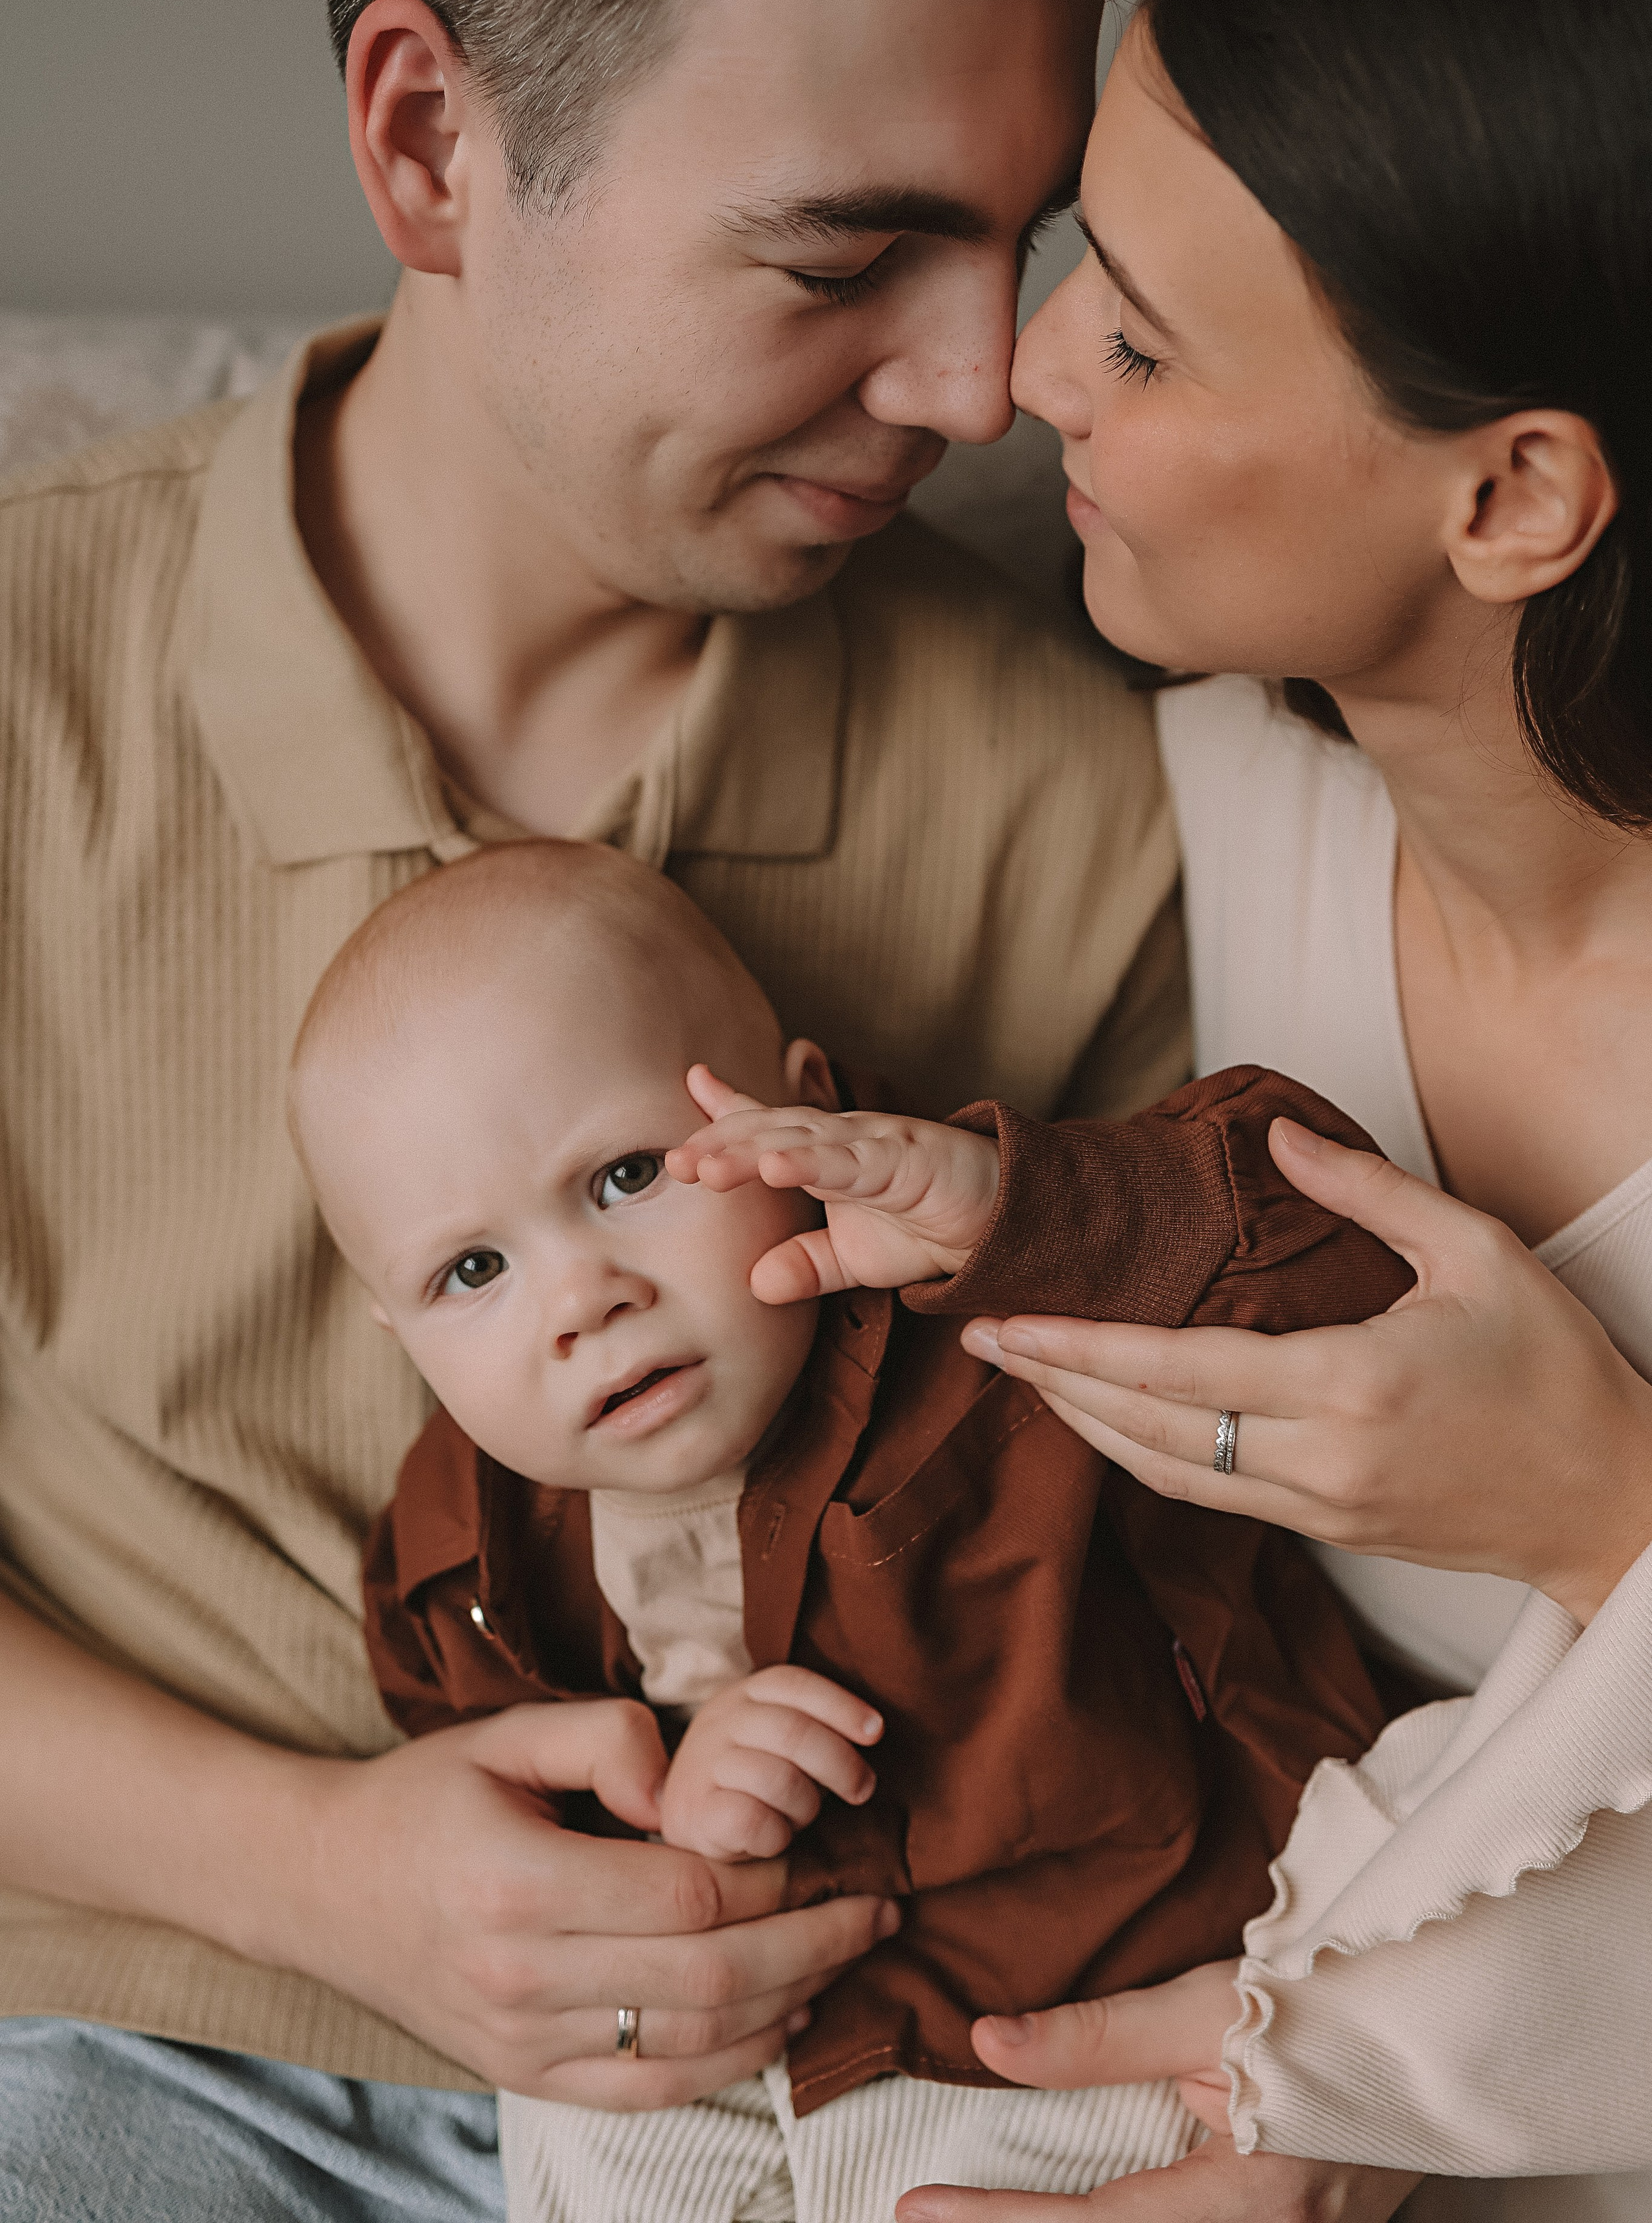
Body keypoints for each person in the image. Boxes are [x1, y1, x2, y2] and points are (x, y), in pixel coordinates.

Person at [0, 0, 1198, 2220]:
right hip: (143, 2038)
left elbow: (1236, 1578)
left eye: (1023, 240)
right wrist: (310, 1872)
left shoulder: (1093, 798)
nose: (981, 387)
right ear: (432, 140)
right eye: (845, 256)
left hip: (877, 2088)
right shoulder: (32, 679)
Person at [896, 0, 1652, 2223]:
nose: (1022, 375)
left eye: (1137, 330)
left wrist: (1611, 1511)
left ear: (1511, 498)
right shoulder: (1204, 812)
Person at [288, 836, 1405, 2222]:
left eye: (627, 1175)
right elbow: (491, 1810)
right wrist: (666, 1798)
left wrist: (1020, 1210)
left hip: (1071, 2016)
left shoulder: (989, 1321)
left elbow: (1343, 1259)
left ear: (801, 1104)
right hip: (700, 2055)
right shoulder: (461, 1536)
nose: (579, 1298)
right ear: (397, 1330)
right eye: (472, 1269)